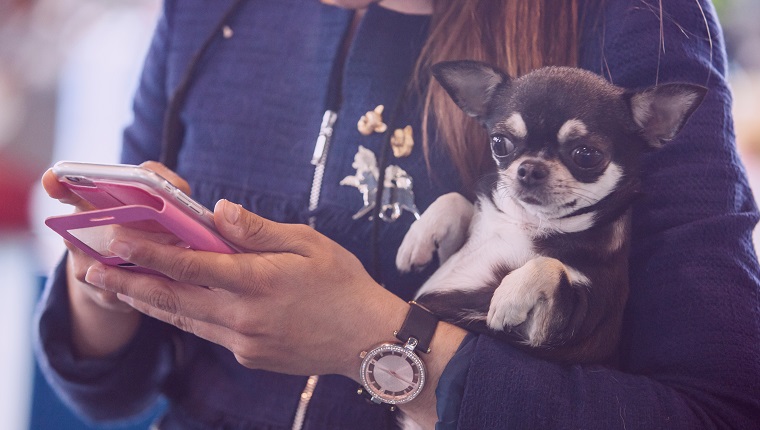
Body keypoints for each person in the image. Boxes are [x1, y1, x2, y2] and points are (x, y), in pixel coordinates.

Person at [34, 0, 760, 429]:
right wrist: (109, 280)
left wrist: (379, 343)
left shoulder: (634, 21)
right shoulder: (206, 12)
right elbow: (107, 386)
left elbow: (718, 411)